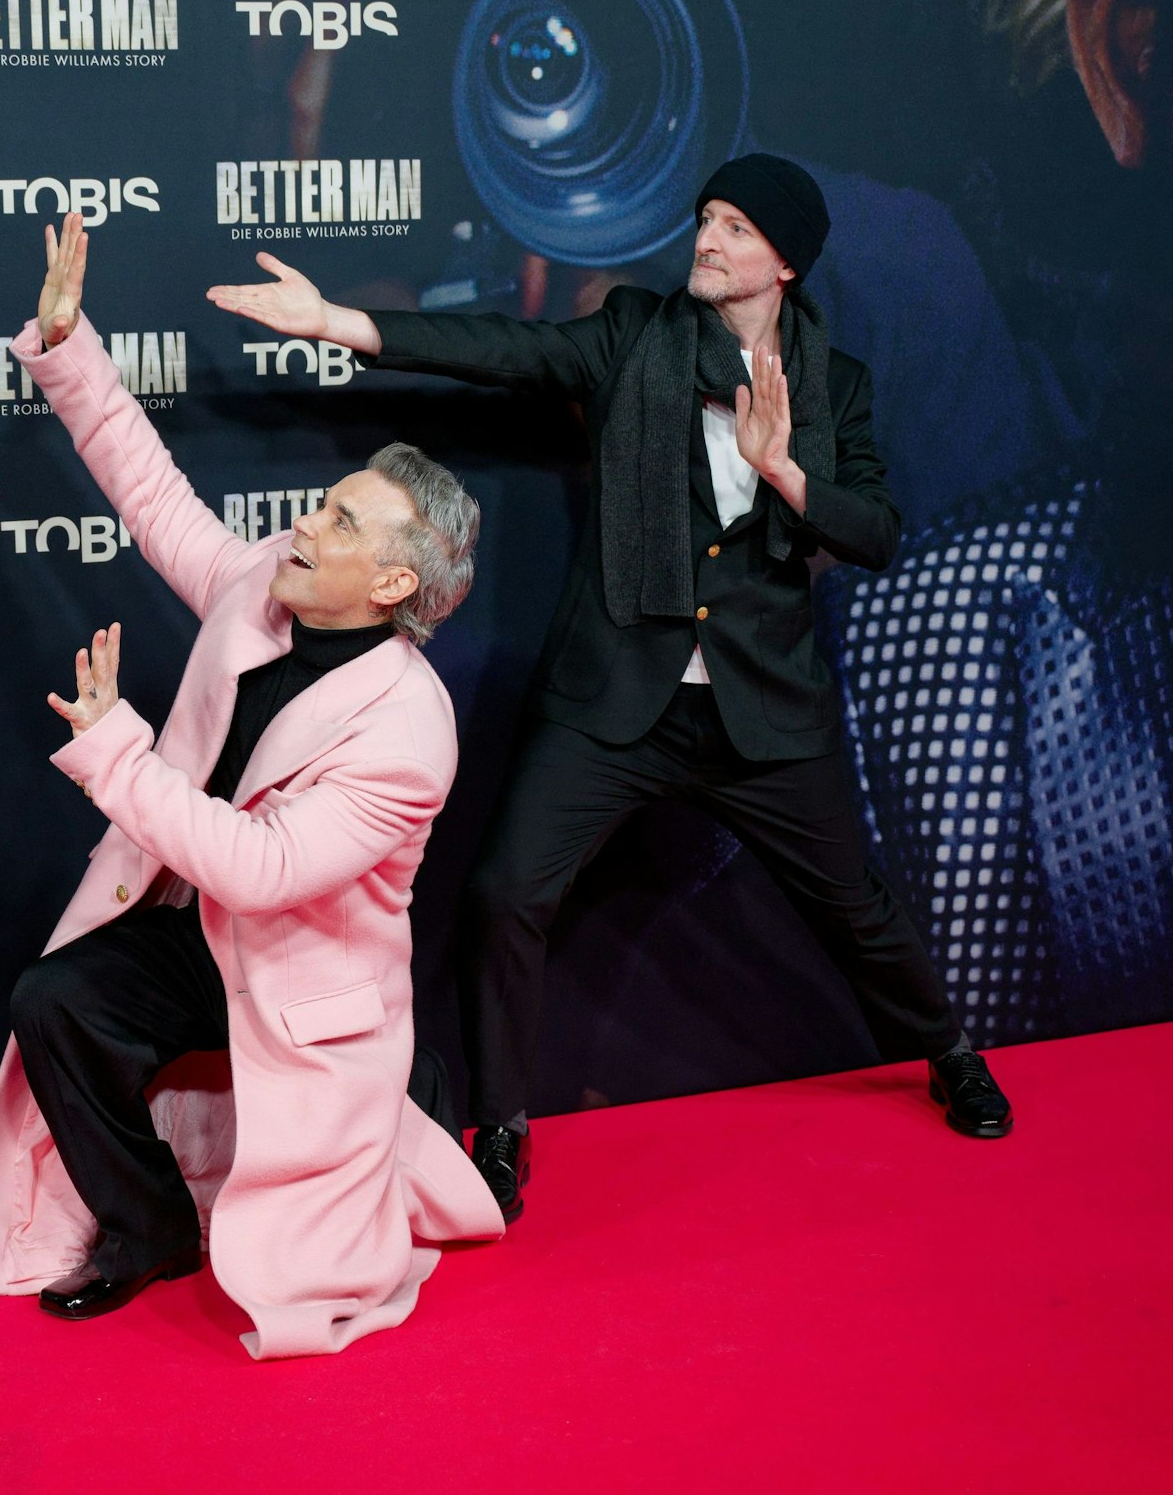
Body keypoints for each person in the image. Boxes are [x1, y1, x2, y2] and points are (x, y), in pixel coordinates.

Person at [208, 153, 1016, 1228]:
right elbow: (502, 349)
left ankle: (950, 1054)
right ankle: (497, 1131)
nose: (707, 239)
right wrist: (341, 323)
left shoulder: (837, 385)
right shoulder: (634, 335)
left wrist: (782, 470)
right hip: (613, 703)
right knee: (503, 895)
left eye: (733, 227)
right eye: (704, 219)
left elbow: (875, 532)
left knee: (854, 908)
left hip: (759, 707)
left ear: (783, 261)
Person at [0, 216, 501, 1359]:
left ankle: (407, 1092)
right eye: (321, 500)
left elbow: (262, 870)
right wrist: (66, 350)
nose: (303, 518)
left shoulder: (407, 731)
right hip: (191, 927)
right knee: (55, 999)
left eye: (338, 520)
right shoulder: (261, 586)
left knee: (309, 1266)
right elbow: (153, 497)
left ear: (392, 580)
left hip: (296, 964)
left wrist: (114, 750)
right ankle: (144, 1225)